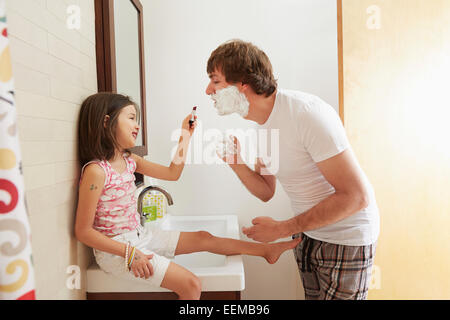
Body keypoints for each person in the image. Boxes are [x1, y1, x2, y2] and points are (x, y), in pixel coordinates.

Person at [74, 92, 300, 300]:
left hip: (139, 236)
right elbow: (83, 232)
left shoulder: (130, 160)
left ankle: (266, 251)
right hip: (116, 253)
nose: (137, 125)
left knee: (204, 237)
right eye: (131, 118)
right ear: (106, 122)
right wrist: (130, 252)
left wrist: (185, 135)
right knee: (191, 285)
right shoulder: (96, 171)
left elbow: (173, 174)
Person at [206, 39, 379, 300]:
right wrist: (236, 163)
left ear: (242, 83)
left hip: (346, 238)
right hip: (308, 234)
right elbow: (266, 190)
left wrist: (281, 229)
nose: (208, 90)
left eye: (215, 81)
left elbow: (356, 196)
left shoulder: (306, 113)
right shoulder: (261, 125)